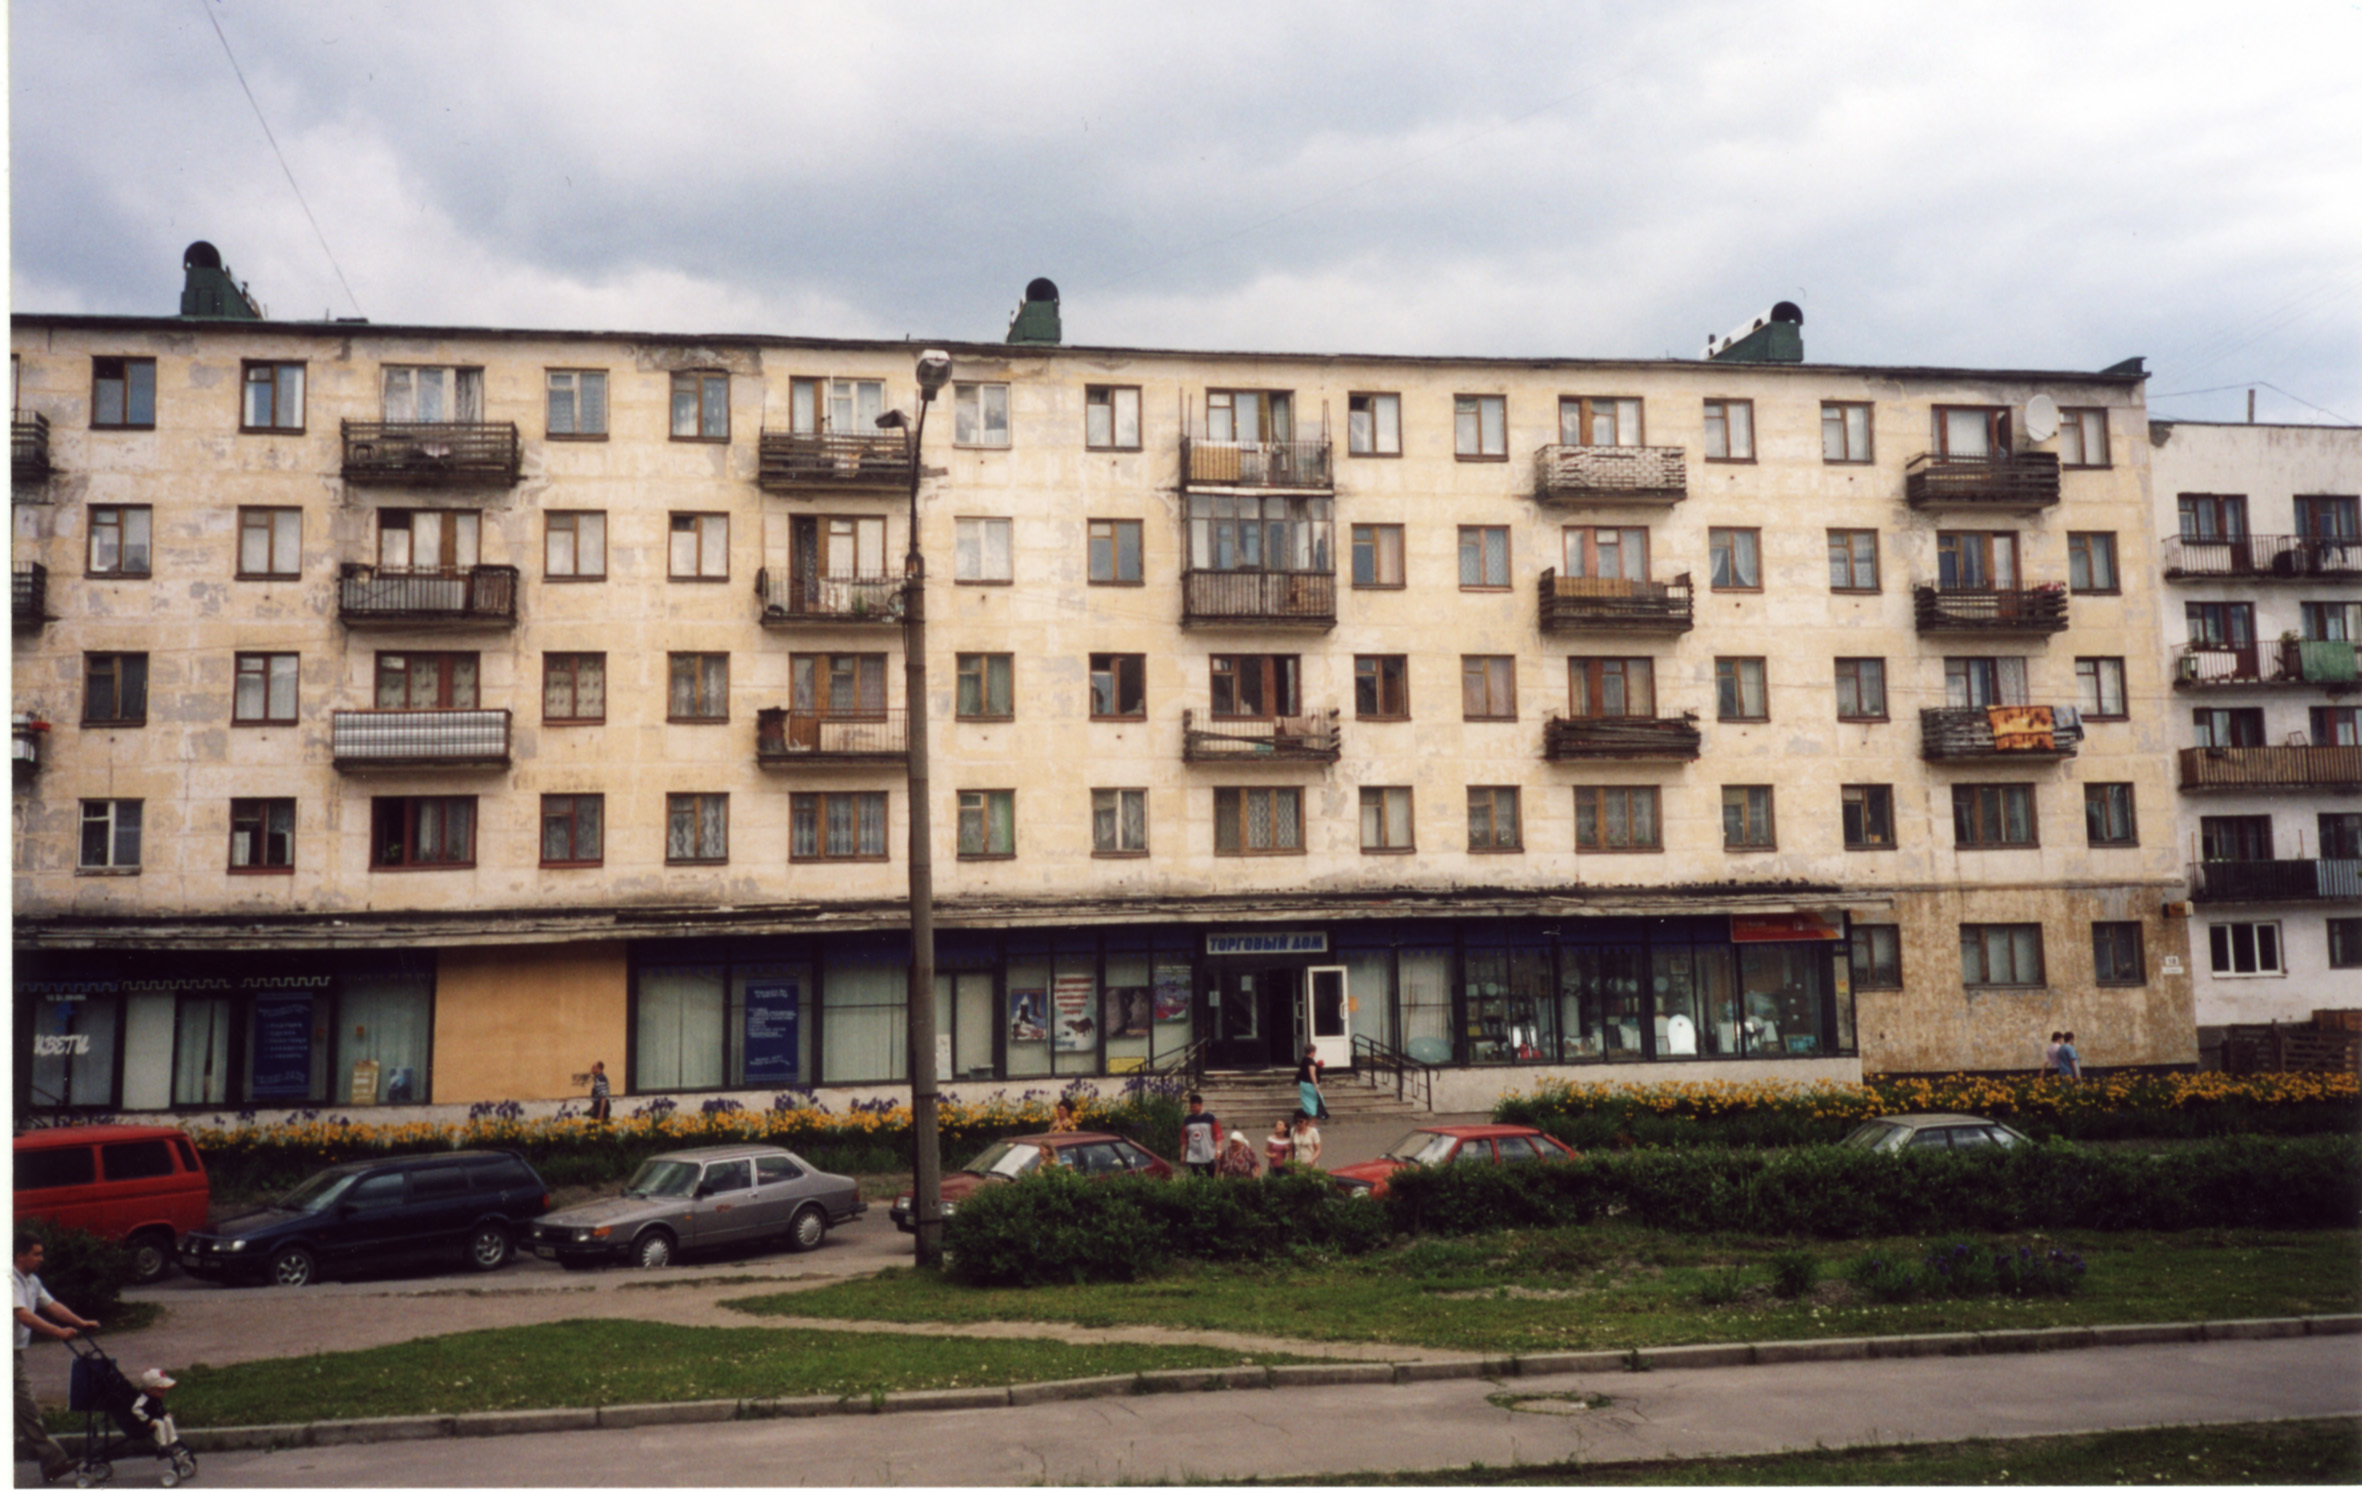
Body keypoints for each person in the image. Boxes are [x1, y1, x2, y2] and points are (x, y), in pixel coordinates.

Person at [14, 1234, 96, 1485]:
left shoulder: (32, 1281)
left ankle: (53, 1462)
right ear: (20, 1256)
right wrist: (58, 1332)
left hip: (13, 1354)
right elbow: (24, 1316)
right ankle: (53, 1462)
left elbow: (52, 1306)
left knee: (25, 1412)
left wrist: (79, 1323)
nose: (41, 1258)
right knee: (26, 1410)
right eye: (36, 1254)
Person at [1179, 1093, 1222, 1176]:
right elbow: (1184, 1140)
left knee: (1209, 1180)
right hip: (1193, 1157)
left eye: (1195, 1107)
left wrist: (1218, 1150)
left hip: (1208, 1155)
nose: (1192, 1109)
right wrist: (1182, 1155)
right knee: (1195, 1181)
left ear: (1201, 1105)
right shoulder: (1187, 1121)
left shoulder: (1210, 1118)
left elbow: (1218, 1135)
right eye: (1191, 1107)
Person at [1295, 1044, 1327, 1122]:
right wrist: (1316, 1087)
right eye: (1314, 1052)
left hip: (1303, 1084)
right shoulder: (1310, 1061)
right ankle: (1313, 1124)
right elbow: (1312, 1074)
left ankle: (1307, 1122)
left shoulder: (1304, 1059)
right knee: (1317, 1102)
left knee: (1307, 1103)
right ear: (1312, 1052)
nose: (1315, 1053)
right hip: (1310, 1085)